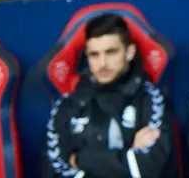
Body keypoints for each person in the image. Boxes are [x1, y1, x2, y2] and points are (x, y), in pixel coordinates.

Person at [43, 13, 177, 178]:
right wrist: (129, 156)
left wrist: (81, 159)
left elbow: (148, 168)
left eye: (111, 52)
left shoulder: (151, 99)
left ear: (129, 52)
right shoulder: (66, 107)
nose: (103, 63)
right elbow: (55, 172)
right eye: (94, 54)